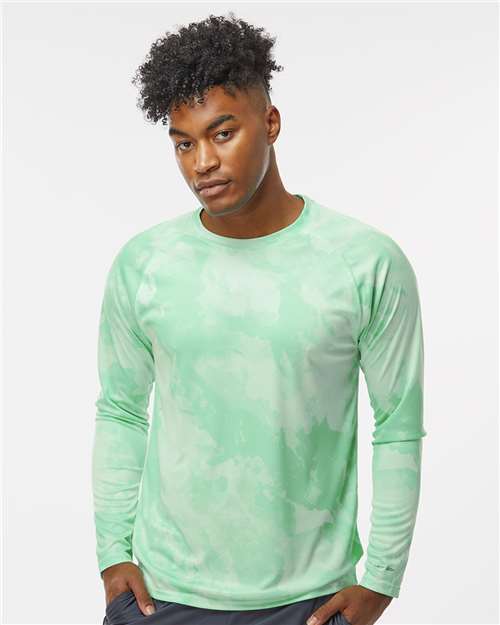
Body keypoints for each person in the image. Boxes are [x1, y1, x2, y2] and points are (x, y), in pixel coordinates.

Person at [91, 12, 426, 625]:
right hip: (160, 598)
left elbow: (398, 423)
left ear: (270, 123)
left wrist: (381, 581)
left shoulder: (364, 263)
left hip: (310, 603)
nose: (202, 162)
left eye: (222, 133)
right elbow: (121, 410)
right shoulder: (145, 264)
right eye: (184, 143)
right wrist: (113, 553)